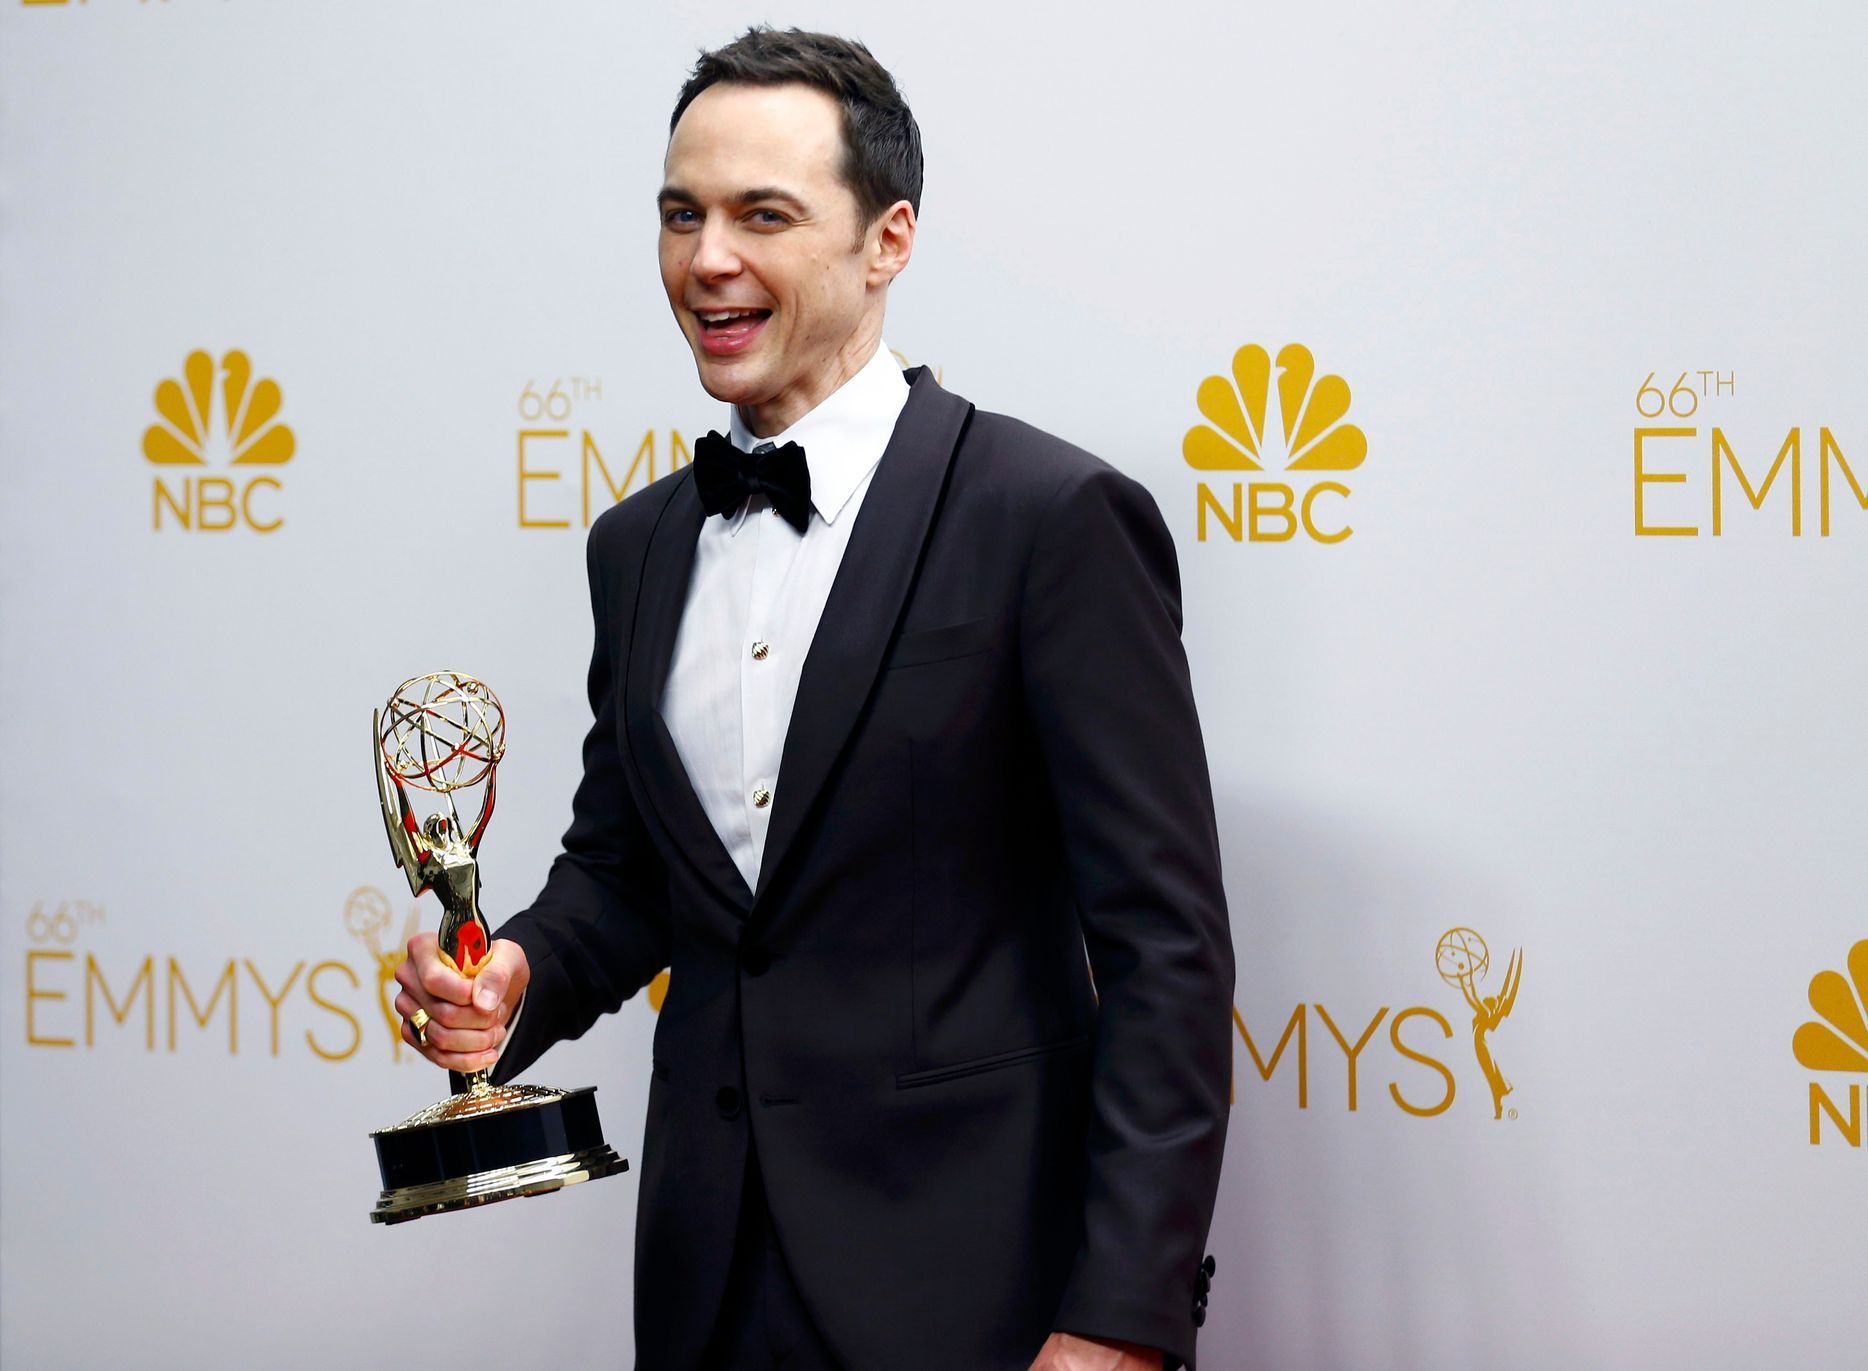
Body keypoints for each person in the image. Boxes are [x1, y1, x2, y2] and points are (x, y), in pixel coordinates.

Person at [393, 27, 1234, 1371]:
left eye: (762, 215)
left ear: (887, 241)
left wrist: (1119, 1319)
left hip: (985, 1291)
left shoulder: (1050, 518)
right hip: (707, 1279)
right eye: (682, 214)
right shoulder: (640, 544)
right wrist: (517, 974)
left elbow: (1166, 952)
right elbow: (629, 872)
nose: (706, 260)